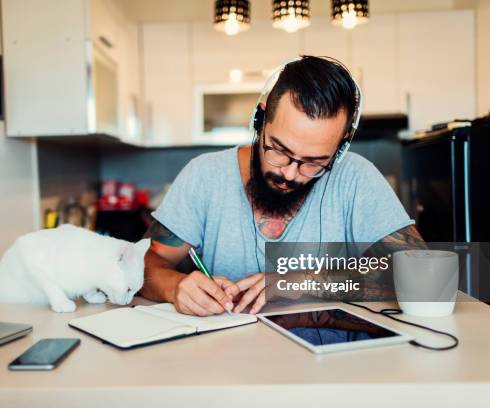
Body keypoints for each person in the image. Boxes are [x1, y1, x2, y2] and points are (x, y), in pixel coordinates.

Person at [140, 56, 425, 316]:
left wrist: (307, 281)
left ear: (339, 148)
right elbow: (143, 263)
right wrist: (175, 286)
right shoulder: (204, 175)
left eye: (314, 162)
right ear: (260, 119)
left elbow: (421, 272)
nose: (290, 174)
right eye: (279, 150)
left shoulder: (356, 178)